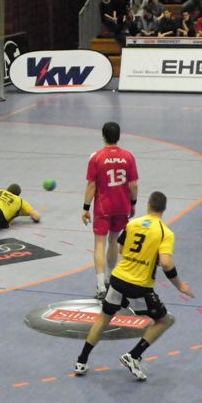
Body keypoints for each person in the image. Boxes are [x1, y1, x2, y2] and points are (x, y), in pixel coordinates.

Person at [73, 192, 194, 380]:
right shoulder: (165, 233)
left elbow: (122, 249)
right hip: (139, 286)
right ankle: (133, 355)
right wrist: (180, 286)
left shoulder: (133, 224)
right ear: (164, 209)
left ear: (149, 205)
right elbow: (166, 263)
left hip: (118, 278)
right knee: (164, 320)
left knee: (104, 319)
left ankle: (81, 361)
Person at [82, 122, 139, 300]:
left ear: (103, 136)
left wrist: (86, 208)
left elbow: (91, 185)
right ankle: (109, 278)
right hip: (122, 205)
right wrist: (133, 203)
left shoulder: (97, 157)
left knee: (100, 243)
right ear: (119, 136)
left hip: (103, 207)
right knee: (114, 240)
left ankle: (101, 287)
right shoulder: (128, 156)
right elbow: (134, 184)